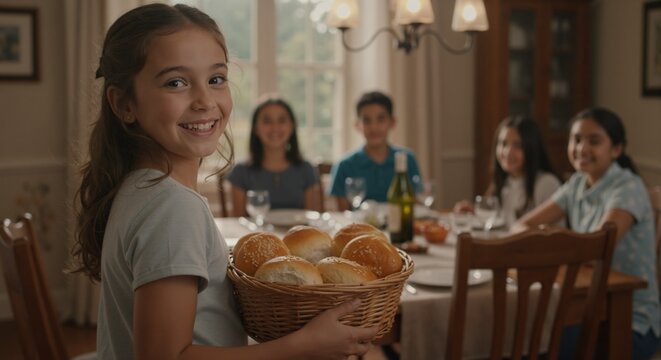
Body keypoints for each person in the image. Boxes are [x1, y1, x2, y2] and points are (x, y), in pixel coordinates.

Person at [70, 4, 377, 359]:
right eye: (176, 82)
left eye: (216, 79)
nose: (205, 101)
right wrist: (303, 346)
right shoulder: (172, 207)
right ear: (124, 104)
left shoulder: (141, 187)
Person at [514, 107, 660, 359]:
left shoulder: (628, 187)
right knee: (521, 340)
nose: (581, 148)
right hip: (584, 307)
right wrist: (554, 237)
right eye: (576, 139)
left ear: (616, 149)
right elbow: (521, 226)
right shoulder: (577, 184)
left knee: (535, 346)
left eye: (594, 141)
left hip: (628, 320)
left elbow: (595, 251)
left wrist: (548, 236)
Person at [455, 116, 561, 226]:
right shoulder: (505, 182)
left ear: (531, 149)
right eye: (503, 143)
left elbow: (555, 236)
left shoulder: (547, 183)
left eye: (517, 145)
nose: (507, 152)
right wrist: (475, 213)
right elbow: (501, 223)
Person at [228, 95, 322, 216]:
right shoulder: (240, 172)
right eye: (267, 121)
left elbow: (311, 221)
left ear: (292, 126)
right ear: (256, 128)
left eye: (282, 120)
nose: (275, 128)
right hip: (255, 235)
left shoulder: (307, 169)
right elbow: (238, 222)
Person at [329, 91, 422, 211]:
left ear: (392, 122)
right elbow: (344, 216)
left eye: (381, 119)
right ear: (357, 125)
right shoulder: (344, 165)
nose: (374, 127)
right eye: (367, 120)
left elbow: (414, 205)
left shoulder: (407, 159)